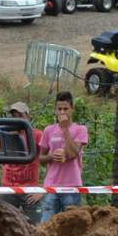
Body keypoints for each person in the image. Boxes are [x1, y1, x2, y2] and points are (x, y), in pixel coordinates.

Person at [39, 91, 89, 222]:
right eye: (59, 109)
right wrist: (51, 156)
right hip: (51, 185)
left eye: (65, 109)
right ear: (55, 110)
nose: (62, 112)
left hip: (72, 185)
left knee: (72, 227)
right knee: (46, 225)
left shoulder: (80, 129)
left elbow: (73, 153)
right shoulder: (48, 130)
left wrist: (66, 130)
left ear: (72, 109)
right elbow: (41, 159)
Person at [1, 101, 43, 224]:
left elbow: (52, 162)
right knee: (3, 224)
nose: (17, 119)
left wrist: (44, 189)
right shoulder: (5, 135)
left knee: (35, 227)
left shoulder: (37, 135)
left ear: (28, 117)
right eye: (14, 116)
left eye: (21, 115)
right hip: (8, 188)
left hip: (30, 189)